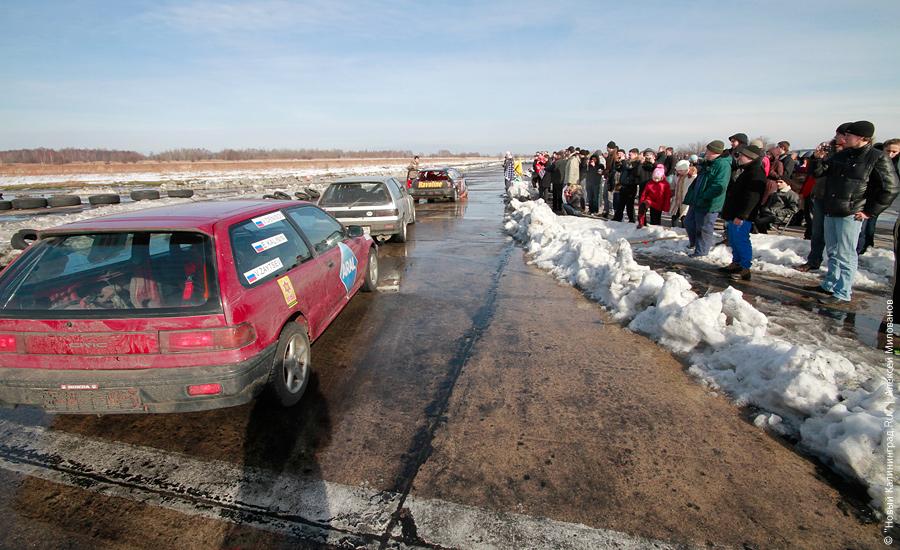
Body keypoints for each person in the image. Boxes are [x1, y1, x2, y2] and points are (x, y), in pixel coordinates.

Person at [806, 120, 899, 303]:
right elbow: (819, 173)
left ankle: (843, 291)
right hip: (831, 208)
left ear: (862, 138)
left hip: (851, 212)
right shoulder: (843, 154)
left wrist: (869, 211)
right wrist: (817, 159)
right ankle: (830, 284)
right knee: (832, 250)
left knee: (846, 253)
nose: (844, 137)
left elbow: (891, 188)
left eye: (849, 135)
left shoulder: (877, 157)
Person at [796, 123, 851, 272]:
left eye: (841, 134)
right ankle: (814, 260)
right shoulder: (829, 149)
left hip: (841, 199)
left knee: (840, 237)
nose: (838, 137)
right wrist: (816, 158)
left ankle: (838, 269)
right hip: (821, 194)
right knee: (817, 230)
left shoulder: (852, 153)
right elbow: (815, 172)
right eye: (837, 134)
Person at [718, 144, 766, 280]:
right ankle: (736, 262)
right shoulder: (746, 170)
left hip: (742, 215)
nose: (739, 158)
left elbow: (752, 198)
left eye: (742, 156)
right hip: (734, 213)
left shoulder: (756, 173)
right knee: (733, 240)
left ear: (750, 157)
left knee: (741, 240)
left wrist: (742, 215)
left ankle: (745, 267)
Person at [683, 140, 731, 257]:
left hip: (708, 202)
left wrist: (705, 196)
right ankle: (695, 244)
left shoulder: (722, 165)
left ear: (715, 152)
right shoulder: (709, 162)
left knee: (704, 228)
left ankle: (701, 252)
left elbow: (719, 185)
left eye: (708, 151)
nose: (706, 153)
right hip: (696, 200)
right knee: (689, 222)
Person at [613, 148, 640, 222]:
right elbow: (619, 169)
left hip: (631, 185)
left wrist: (624, 161)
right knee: (621, 203)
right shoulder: (628, 162)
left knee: (629, 204)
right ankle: (617, 218)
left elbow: (629, 168)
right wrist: (618, 163)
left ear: (636, 154)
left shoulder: (637, 162)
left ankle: (631, 219)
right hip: (623, 185)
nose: (629, 156)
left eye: (630, 154)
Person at [668, 159, 696, 227]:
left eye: (681, 171)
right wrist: (671, 193)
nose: (679, 172)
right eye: (678, 171)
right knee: (674, 215)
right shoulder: (677, 176)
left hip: (687, 200)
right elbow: (673, 185)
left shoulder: (692, 177)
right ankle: (673, 229)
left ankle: (685, 230)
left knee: (684, 217)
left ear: (686, 169)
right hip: (677, 199)